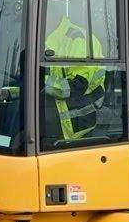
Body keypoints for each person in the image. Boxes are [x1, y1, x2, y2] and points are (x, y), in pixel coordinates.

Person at [42, 15, 109, 143]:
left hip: (78, 124)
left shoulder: (78, 39)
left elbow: (76, 87)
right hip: (57, 115)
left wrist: (39, 82)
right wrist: (12, 92)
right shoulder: (47, 39)